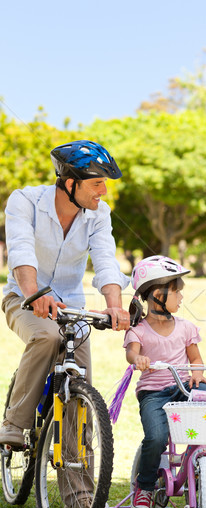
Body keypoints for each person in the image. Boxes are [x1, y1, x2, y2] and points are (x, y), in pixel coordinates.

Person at [0, 140, 131, 463]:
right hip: (24, 297)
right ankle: (14, 423)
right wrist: (35, 292)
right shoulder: (25, 201)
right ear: (70, 183)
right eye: (97, 183)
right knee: (47, 335)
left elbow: (104, 259)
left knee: (80, 389)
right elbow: (20, 249)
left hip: (71, 306)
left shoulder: (98, 214)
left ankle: (82, 499)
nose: (103, 191)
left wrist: (114, 304)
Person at [123, 255, 206, 508]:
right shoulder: (138, 330)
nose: (181, 298)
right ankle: (145, 487)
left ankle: (205, 466)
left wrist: (197, 373)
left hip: (182, 387)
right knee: (156, 437)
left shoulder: (185, 327)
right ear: (158, 294)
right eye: (177, 292)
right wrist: (137, 358)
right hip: (153, 394)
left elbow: (195, 358)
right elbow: (132, 353)